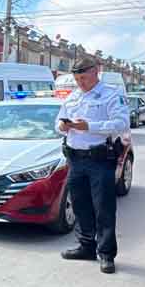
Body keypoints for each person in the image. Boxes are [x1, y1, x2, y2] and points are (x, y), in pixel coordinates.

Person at [56, 60, 130, 274]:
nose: (81, 83)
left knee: (104, 208)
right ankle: (86, 246)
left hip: (99, 158)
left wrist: (89, 126)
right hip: (75, 159)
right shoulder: (73, 96)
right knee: (80, 205)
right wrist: (63, 126)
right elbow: (58, 123)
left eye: (84, 78)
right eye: (77, 79)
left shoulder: (111, 94)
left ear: (96, 72)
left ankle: (106, 254)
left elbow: (121, 123)